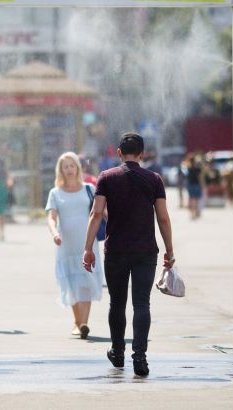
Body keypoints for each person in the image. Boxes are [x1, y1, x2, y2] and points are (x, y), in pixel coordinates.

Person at [83, 132, 175, 377]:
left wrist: (87, 248)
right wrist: (169, 249)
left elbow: (96, 213)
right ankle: (140, 358)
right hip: (146, 251)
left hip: (116, 250)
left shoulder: (106, 177)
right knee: (142, 303)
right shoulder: (154, 179)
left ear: (119, 153)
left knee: (117, 303)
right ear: (142, 154)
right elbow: (163, 218)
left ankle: (118, 352)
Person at [46, 152, 104, 339]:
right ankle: (77, 322)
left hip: (87, 243)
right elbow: (51, 217)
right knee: (71, 282)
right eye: (66, 166)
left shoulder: (89, 188)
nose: (69, 169)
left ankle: (84, 323)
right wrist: (55, 233)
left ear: (78, 168)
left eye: (72, 165)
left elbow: (102, 211)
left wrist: (116, 230)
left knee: (86, 281)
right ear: (60, 170)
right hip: (66, 245)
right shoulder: (55, 193)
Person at [186, 155, 203, 220]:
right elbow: (200, 176)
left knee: (191, 199)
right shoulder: (197, 168)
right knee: (196, 200)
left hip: (190, 185)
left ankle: (192, 213)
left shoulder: (188, 168)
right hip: (196, 184)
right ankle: (195, 213)